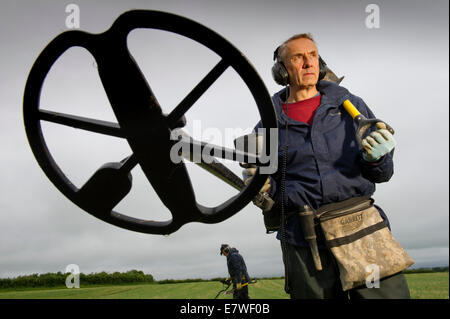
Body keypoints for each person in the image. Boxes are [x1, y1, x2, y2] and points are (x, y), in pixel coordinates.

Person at [244, 33, 411, 299]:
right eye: (298, 57)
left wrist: (376, 158)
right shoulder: (268, 123)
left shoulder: (350, 105)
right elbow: (267, 189)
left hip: (362, 229)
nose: (308, 63)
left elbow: (383, 173)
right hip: (302, 236)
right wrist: (259, 186)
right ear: (282, 70)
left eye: (313, 55)